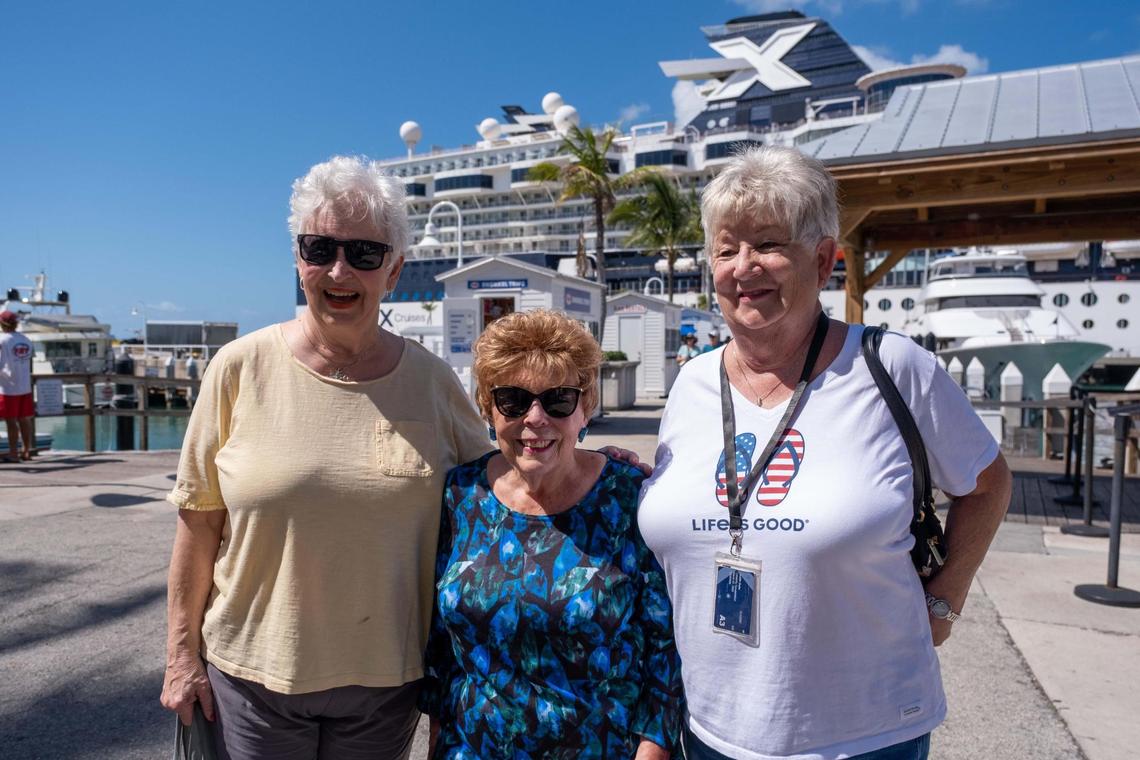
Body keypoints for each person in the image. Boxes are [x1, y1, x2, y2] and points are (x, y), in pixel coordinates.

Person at [638, 146, 1012, 760]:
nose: (743, 267)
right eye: (726, 249)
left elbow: (988, 485)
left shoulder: (893, 367)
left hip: (863, 732)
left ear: (823, 259)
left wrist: (946, 599)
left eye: (767, 244)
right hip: (708, 725)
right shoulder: (692, 383)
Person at [159, 156, 493, 759]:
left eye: (365, 254)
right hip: (253, 676)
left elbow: (502, 486)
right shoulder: (237, 368)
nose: (340, 270)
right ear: (298, 260)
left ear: (393, 272)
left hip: (385, 680)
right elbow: (198, 521)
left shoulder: (432, 382)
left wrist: (596, 471)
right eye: (320, 249)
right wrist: (181, 657)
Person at [421, 309, 683, 759]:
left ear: (586, 407)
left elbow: (666, 655)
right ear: (488, 408)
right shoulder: (461, 494)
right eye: (513, 400)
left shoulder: (628, 499)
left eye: (558, 399)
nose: (536, 418)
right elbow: (443, 655)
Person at [0, 310, 35, 463]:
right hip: (25, 385)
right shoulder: (26, 340)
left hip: (8, 386)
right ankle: (26, 451)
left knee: (10, 420)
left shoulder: (2, 340)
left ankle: (13, 453)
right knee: (24, 419)